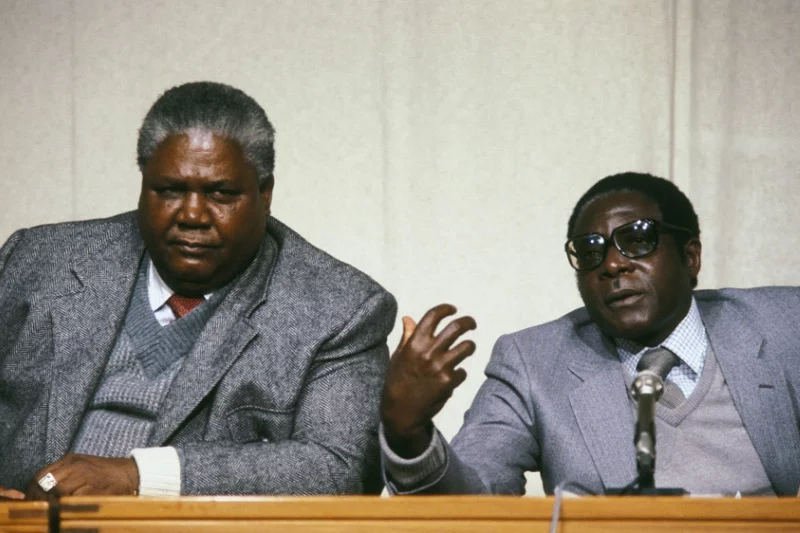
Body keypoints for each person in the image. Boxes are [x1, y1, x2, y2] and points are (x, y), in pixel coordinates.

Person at [0, 81, 396, 499]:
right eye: (169, 190)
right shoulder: (37, 260)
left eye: (220, 194)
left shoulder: (338, 309)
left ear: (265, 194)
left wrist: (137, 476)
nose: (191, 215)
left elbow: (335, 467)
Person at [380, 172, 800, 496]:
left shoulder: (784, 326)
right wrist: (408, 432)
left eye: (637, 240)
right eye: (591, 251)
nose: (612, 265)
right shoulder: (533, 363)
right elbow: (471, 508)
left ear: (690, 257)